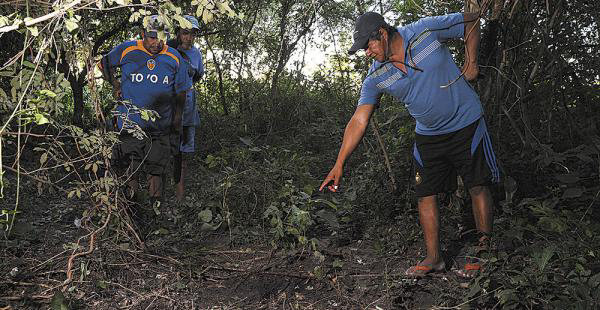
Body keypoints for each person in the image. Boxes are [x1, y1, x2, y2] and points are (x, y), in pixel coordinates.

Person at [319, 11, 499, 278]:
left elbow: (471, 21)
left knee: (477, 185)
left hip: (466, 124)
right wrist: (339, 163)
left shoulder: (424, 31)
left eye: (368, 45)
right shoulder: (376, 76)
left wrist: (472, 62)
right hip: (428, 135)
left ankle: (485, 251)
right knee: (424, 195)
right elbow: (359, 119)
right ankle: (433, 258)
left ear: (381, 33)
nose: (366, 53)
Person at [99, 15, 192, 214]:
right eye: (152, 37)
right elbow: (104, 64)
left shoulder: (174, 58)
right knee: (130, 165)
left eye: (161, 37)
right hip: (130, 123)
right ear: (143, 35)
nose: (156, 42)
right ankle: (131, 210)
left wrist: (176, 121)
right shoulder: (128, 49)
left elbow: (182, 92)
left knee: (156, 168)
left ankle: (155, 210)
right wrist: (115, 84)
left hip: (160, 126)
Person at [167, 15, 204, 203]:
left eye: (192, 34)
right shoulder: (169, 50)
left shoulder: (197, 54)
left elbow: (197, 75)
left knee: (184, 152)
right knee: (168, 148)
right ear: (179, 34)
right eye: (185, 33)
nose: (189, 38)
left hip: (189, 106)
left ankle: (180, 193)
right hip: (170, 106)